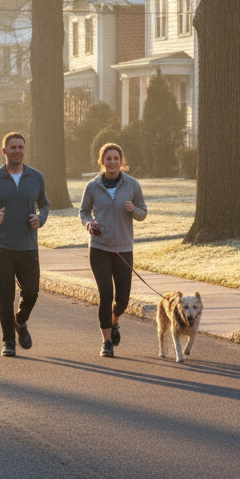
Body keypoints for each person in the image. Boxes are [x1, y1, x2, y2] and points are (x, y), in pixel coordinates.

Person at [0, 132, 49, 357]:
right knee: (5, 297)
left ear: (24, 150)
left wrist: (40, 219)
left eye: (20, 147)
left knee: (32, 292)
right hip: (2, 246)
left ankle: (20, 320)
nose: (17, 151)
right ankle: (8, 341)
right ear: (4, 151)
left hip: (28, 245)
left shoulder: (36, 177)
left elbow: (44, 205)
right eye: (13, 147)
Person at [78, 143, 147, 358]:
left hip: (124, 249)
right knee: (106, 294)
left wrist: (133, 209)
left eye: (116, 158)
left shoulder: (132, 185)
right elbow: (83, 212)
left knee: (123, 299)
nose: (112, 162)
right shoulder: (92, 186)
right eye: (108, 158)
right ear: (102, 161)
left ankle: (114, 320)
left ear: (121, 161)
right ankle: (106, 342)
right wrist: (89, 225)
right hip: (99, 249)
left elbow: (143, 213)